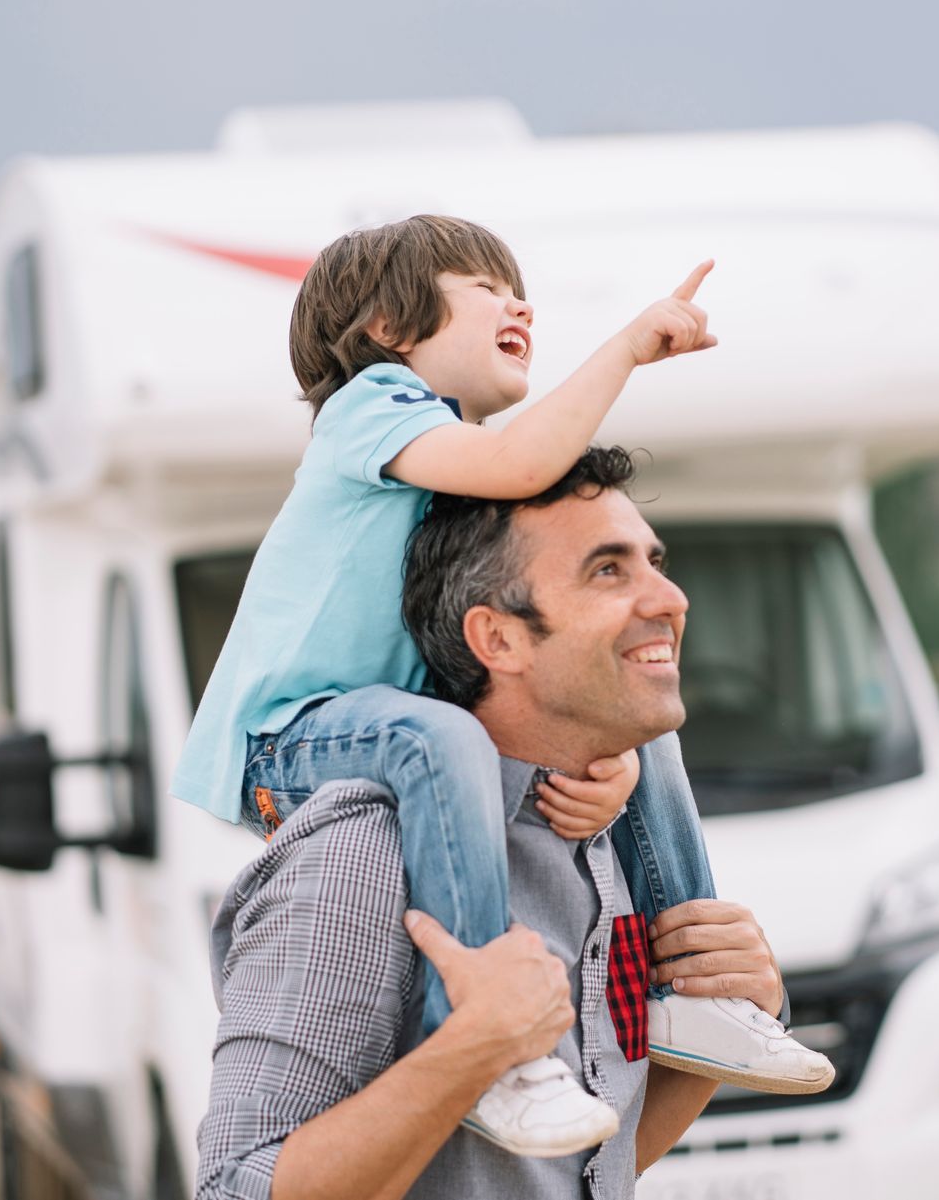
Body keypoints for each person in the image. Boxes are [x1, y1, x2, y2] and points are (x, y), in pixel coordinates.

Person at [173, 217, 830, 1154]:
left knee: (636, 729)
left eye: (518, 286)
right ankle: (483, 1032)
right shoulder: (373, 407)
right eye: (482, 286)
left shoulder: (447, 456)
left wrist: (619, 773)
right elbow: (527, 461)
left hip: (379, 720)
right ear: (386, 330)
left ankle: (689, 992)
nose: (517, 302)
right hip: (285, 736)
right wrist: (630, 346)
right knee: (442, 742)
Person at [196, 447, 813, 1199]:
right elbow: (232, 1187)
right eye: (608, 570)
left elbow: (583, 1169)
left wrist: (730, 1001)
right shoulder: (362, 856)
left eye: (655, 562)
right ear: (498, 638)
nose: (670, 597)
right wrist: (471, 1051)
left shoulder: (613, 834)